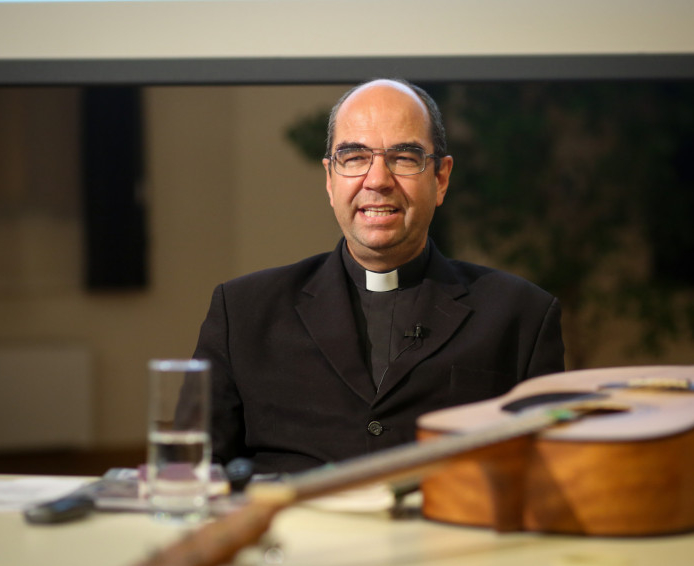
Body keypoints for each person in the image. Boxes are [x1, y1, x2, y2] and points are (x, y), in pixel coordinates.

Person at [178, 79, 565, 475]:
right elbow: (188, 473)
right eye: (354, 157)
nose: (378, 180)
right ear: (330, 179)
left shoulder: (520, 316)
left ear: (441, 179)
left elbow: (552, 476)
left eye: (404, 157)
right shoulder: (243, 313)